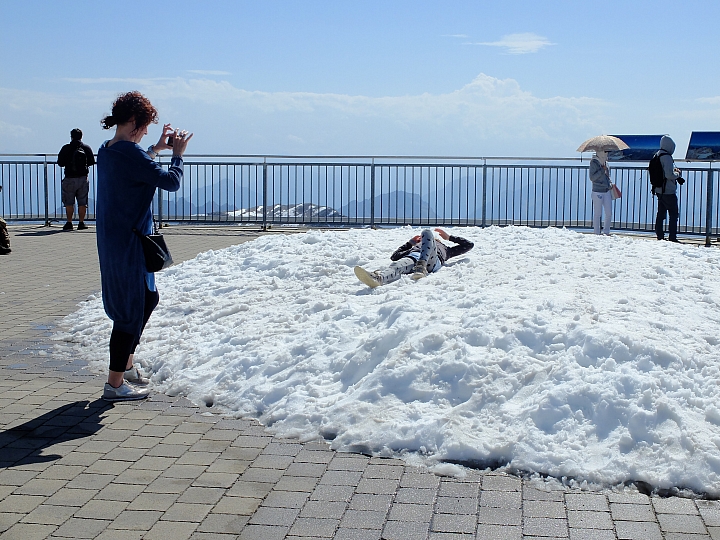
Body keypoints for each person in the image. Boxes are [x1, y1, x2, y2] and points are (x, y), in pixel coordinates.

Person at [96, 91, 192, 401]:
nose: (148, 131)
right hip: (129, 244)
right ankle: (114, 384)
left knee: (148, 298)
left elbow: (135, 163)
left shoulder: (108, 149)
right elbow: (171, 183)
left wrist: (155, 149)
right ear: (136, 122)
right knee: (129, 312)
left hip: (114, 239)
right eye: (147, 125)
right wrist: (177, 154)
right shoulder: (129, 154)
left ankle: (126, 365)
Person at [354, 228, 474, 288]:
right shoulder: (414, 247)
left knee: (426, 231)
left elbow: (469, 245)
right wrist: (410, 243)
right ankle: (379, 278)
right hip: (413, 258)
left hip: (431, 260)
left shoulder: (446, 249)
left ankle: (421, 267)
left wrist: (449, 238)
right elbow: (394, 257)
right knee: (396, 265)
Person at [57, 129, 95, 231]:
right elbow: (91, 161)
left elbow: (60, 162)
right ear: (81, 136)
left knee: (69, 202)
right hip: (83, 178)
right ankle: (81, 223)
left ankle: (69, 223)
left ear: (71, 136)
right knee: (82, 202)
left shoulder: (66, 148)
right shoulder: (86, 148)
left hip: (69, 178)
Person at [653, 135, 684, 242]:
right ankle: (672, 237)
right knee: (673, 214)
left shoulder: (656, 155)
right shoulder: (667, 157)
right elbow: (669, 175)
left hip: (658, 190)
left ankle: (660, 235)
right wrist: (678, 174)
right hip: (668, 191)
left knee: (661, 213)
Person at [589, 149, 612, 235]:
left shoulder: (606, 163)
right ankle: (596, 232)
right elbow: (592, 177)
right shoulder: (594, 162)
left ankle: (606, 232)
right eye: (605, 151)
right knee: (598, 213)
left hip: (607, 190)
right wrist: (602, 170)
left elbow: (607, 176)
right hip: (597, 191)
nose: (606, 153)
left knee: (609, 213)